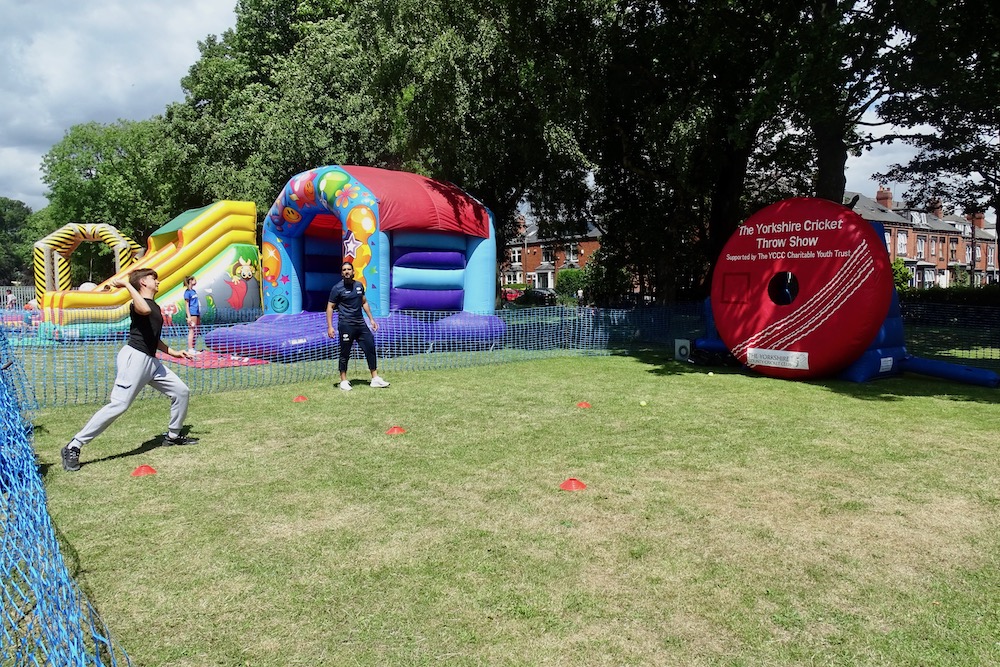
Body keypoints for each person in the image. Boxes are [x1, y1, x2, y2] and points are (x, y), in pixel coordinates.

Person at [61, 268, 198, 472]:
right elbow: (143, 310)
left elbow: (153, 338)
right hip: (135, 359)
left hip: (151, 362)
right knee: (119, 405)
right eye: (153, 278)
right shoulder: (137, 304)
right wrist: (126, 284)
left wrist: (174, 352)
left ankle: (173, 435)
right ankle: (74, 446)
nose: (157, 281)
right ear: (143, 282)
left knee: (181, 391)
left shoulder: (153, 305)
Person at [326, 261, 389, 391]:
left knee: (370, 347)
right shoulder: (337, 288)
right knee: (345, 352)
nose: (347, 272)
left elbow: (364, 302)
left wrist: (371, 319)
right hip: (346, 325)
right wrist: (330, 326)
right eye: (344, 270)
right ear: (341, 273)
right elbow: (330, 307)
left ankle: (375, 379)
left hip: (360, 323)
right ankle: (343, 380)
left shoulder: (359, 286)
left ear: (353, 272)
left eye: (349, 269)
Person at [182, 275, 201, 353]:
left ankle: (193, 348)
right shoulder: (187, 292)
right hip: (192, 313)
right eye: (194, 280)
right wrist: (189, 316)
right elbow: (186, 305)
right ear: (190, 281)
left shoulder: (193, 291)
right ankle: (190, 349)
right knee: (192, 330)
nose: (196, 281)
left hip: (197, 312)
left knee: (197, 330)